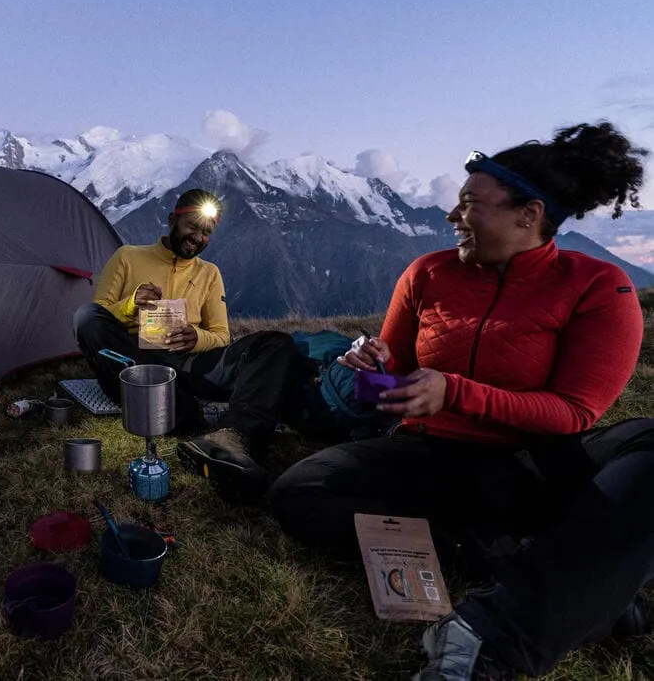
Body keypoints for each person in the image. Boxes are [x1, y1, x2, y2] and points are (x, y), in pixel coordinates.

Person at [269, 122, 653, 680]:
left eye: (470, 204)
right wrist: (370, 373)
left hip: (536, 464)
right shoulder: (427, 273)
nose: (453, 216)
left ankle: (493, 631)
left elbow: (575, 411)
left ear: (529, 214)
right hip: (433, 454)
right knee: (298, 492)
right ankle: (558, 575)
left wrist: (454, 391)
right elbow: (393, 387)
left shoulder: (599, 286)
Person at [74, 188, 303, 500]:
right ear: (172, 220)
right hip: (137, 361)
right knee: (85, 316)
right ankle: (182, 411)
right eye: (192, 227)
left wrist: (197, 337)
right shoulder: (128, 257)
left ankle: (234, 437)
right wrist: (130, 304)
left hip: (190, 360)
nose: (197, 237)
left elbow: (221, 335)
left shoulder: (209, 273)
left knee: (276, 344)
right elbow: (99, 314)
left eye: (206, 232)